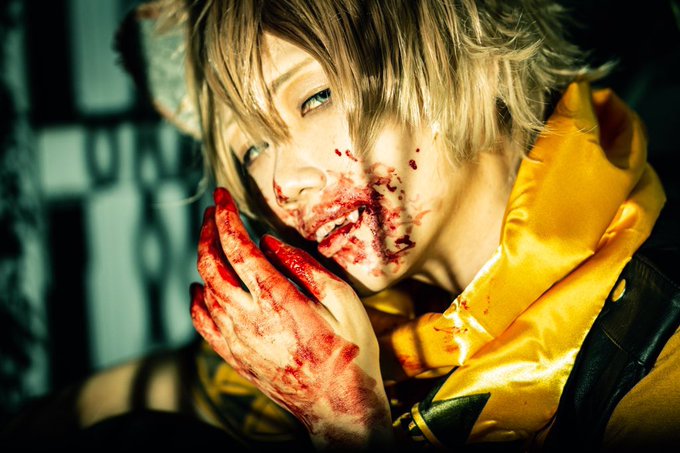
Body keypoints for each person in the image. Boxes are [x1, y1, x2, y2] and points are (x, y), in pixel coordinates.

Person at [2, 0, 679, 451]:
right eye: (252, 149)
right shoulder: (343, 330)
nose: (282, 183)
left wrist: (350, 427)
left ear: (474, 46)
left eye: (315, 97)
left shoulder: (656, 354)